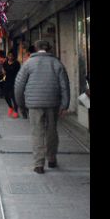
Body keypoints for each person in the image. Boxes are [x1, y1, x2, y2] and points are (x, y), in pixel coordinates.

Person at [14, 40, 70, 174]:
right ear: (50, 48)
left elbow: (19, 86)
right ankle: (51, 158)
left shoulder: (28, 64)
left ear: (35, 48)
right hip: (52, 102)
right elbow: (65, 86)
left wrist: (20, 104)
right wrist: (65, 104)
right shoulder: (57, 63)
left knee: (37, 132)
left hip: (34, 104)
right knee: (52, 131)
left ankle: (39, 164)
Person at [1, 51, 21, 118]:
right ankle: (10, 107)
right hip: (6, 81)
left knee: (13, 97)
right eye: (9, 56)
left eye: (11, 56)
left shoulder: (16, 63)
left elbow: (18, 72)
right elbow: (3, 69)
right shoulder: (5, 63)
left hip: (14, 81)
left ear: (14, 56)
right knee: (6, 96)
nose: (10, 57)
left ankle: (16, 111)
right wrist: (3, 72)